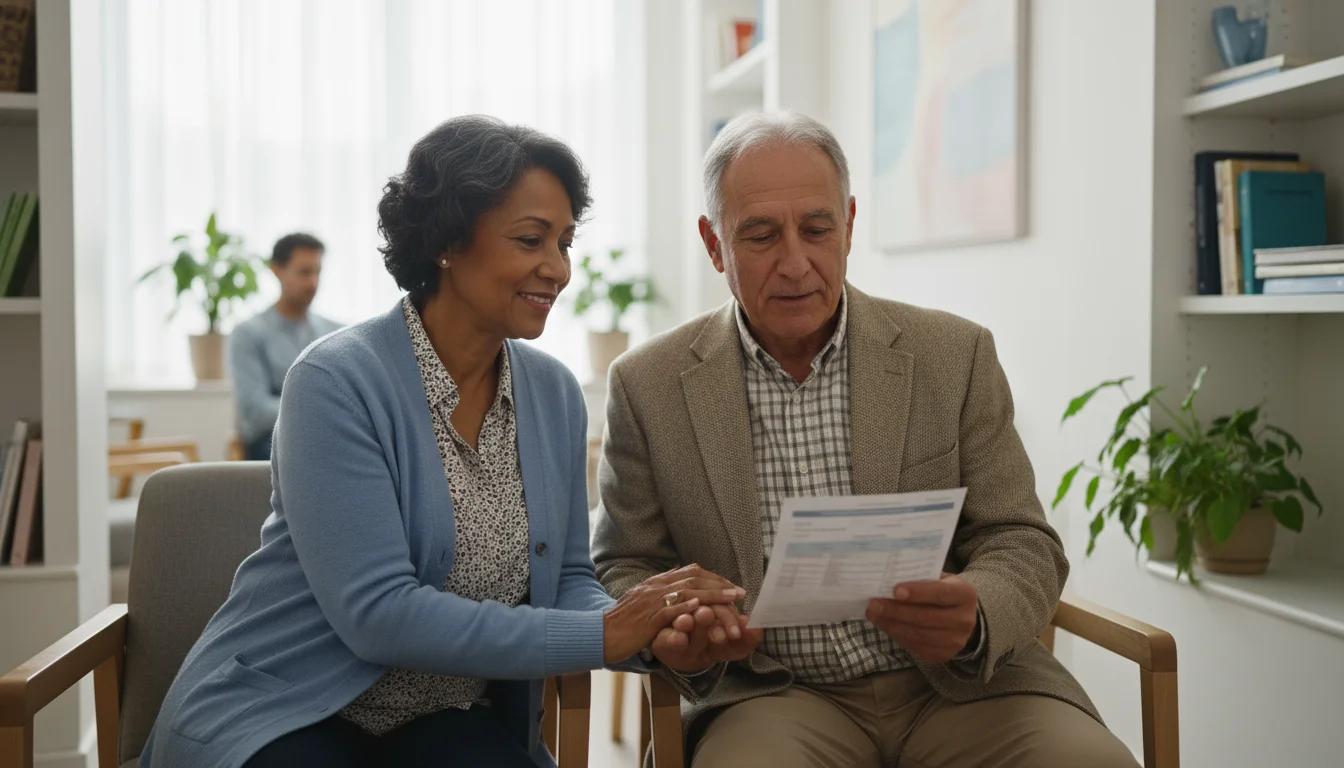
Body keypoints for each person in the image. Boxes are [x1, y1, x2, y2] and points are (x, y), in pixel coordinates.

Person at [140, 115, 745, 768]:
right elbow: (379, 615)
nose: (558, 269)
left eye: (565, 242)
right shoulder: (335, 381)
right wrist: (604, 632)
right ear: (447, 243)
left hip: (441, 717)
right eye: (531, 239)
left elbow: (566, 579)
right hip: (286, 706)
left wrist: (652, 634)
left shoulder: (553, 393)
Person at [591, 111, 1140, 767]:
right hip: (772, 696)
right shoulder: (647, 385)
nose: (796, 263)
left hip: (964, 689)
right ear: (715, 245)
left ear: (849, 225)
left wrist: (978, 611)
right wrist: (673, 628)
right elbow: (623, 563)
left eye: (817, 229)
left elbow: (1020, 538)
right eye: (761, 235)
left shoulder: (954, 354)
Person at [229, 233, 342, 460]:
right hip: (273, 446)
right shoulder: (248, 334)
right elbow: (254, 413)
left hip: (330, 439)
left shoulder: (337, 333)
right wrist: (323, 410)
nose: (313, 283)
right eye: (304, 272)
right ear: (277, 270)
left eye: (317, 272)